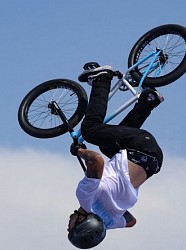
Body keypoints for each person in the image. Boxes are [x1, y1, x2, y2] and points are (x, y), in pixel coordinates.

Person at [67, 63, 164, 249]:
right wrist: (79, 151)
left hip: (153, 161)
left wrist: (113, 208)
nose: (67, 227)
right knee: (90, 130)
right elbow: (96, 161)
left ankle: (149, 100)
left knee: (108, 146)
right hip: (139, 147)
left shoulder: (111, 222)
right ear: (81, 222)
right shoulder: (85, 198)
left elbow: (131, 221)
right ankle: (101, 79)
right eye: (71, 229)